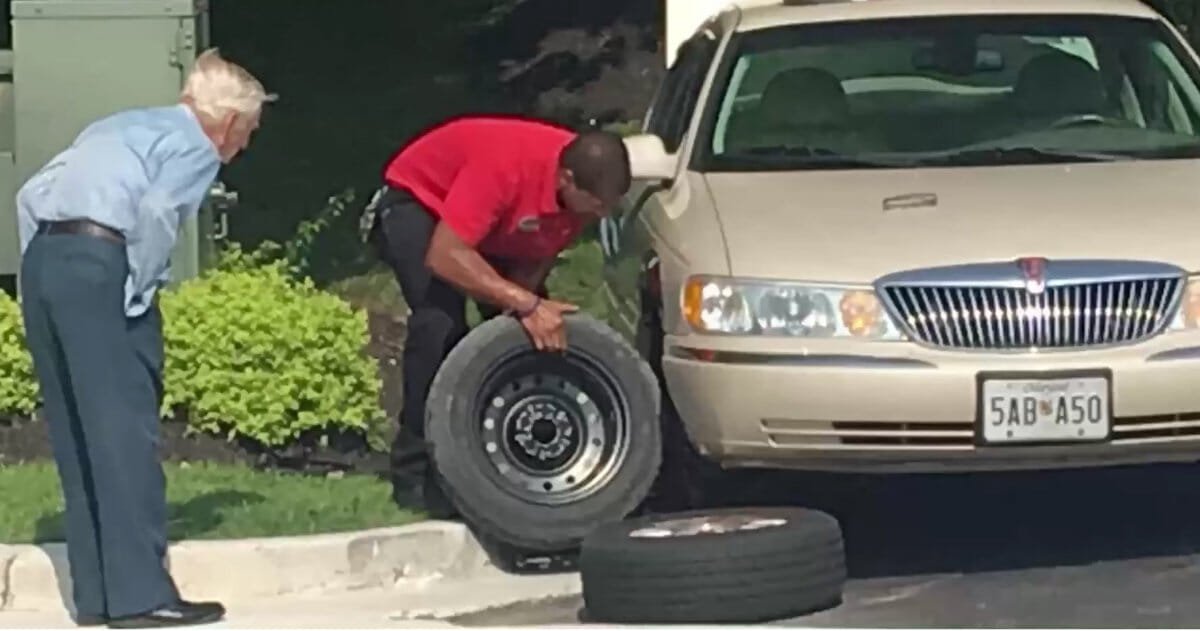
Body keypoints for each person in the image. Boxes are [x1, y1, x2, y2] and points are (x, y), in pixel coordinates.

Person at [15, 48, 274, 629]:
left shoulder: (119, 125)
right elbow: (157, 210)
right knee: (122, 429)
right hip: (102, 262)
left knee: (76, 433)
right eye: (248, 132)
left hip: (45, 262)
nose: (244, 146)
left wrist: (47, 264)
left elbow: (28, 196)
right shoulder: (197, 147)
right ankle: (139, 597)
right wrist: (139, 285)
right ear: (229, 123)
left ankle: (96, 595)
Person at [360, 115, 632, 517]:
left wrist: (521, 306)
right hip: (421, 204)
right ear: (567, 180)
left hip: (497, 222)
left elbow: (541, 250)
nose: (602, 215)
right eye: (595, 204)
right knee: (441, 324)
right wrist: (526, 304)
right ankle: (415, 472)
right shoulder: (505, 168)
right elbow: (444, 256)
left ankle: (499, 460)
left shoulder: (587, 191)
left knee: (527, 335)